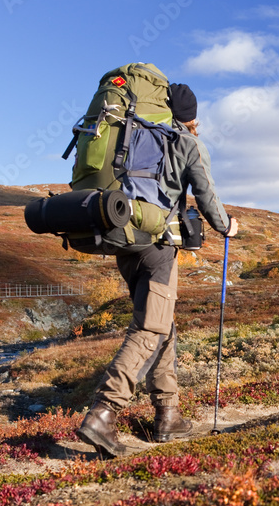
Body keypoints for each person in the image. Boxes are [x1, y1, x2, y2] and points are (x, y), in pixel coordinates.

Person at [75, 83, 238, 458]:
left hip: (124, 236)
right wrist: (226, 225)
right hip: (157, 245)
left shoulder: (136, 136)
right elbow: (207, 197)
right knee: (149, 327)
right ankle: (103, 413)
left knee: (162, 323)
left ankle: (168, 414)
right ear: (191, 117)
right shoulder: (187, 142)